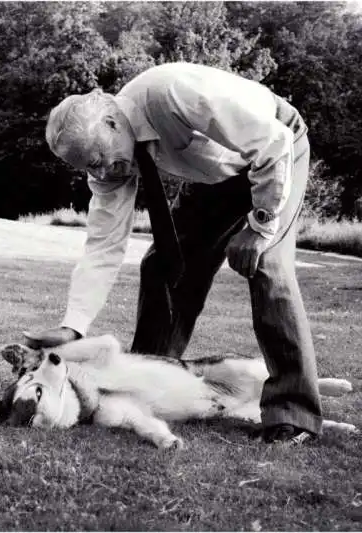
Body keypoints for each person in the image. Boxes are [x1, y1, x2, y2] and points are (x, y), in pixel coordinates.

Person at [27, 62, 321, 445]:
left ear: (113, 123)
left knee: (265, 264)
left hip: (276, 150)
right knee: (161, 266)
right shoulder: (106, 160)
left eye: (99, 159)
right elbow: (103, 244)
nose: (101, 173)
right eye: (89, 168)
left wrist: (260, 224)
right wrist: (74, 324)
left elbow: (273, 143)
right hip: (217, 175)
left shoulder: (175, 94)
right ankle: (146, 382)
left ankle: (293, 413)